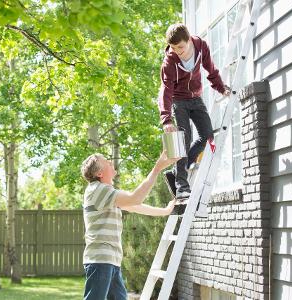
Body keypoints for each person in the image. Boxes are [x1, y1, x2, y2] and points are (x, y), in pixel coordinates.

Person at [80, 150, 179, 300]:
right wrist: (156, 169)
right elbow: (135, 199)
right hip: (100, 259)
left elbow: (135, 205)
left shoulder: (107, 194)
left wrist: (165, 211)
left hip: (110, 260)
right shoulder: (98, 190)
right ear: (100, 173)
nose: (110, 162)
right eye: (106, 161)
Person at [158, 23, 231, 202]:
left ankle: (176, 172)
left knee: (207, 137)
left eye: (180, 47)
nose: (177, 51)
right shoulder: (170, 61)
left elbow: (210, 70)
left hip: (196, 98)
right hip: (178, 101)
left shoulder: (200, 46)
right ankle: (182, 186)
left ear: (189, 40)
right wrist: (166, 119)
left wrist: (221, 88)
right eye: (174, 48)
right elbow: (165, 90)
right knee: (184, 139)